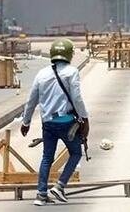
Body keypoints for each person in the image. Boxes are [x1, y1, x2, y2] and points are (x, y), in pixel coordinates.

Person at [21, 39, 89, 206]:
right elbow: (77, 98)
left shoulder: (41, 74)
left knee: (47, 158)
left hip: (48, 123)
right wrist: (85, 118)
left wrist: (26, 122)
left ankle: (41, 194)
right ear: (69, 54)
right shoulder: (71, 72)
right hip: (66, 122)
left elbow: (31, 100)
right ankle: (60, 186)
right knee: (76, 153)